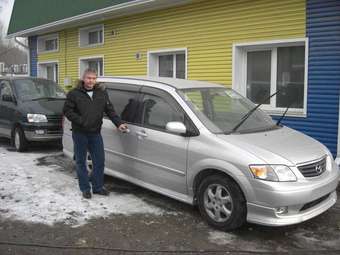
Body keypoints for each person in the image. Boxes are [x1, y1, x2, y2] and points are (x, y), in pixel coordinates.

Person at [63, 68, 128, 199]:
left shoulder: (102, 93)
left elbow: (110, 110)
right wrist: (82, 121)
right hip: (80, 133)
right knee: (81, 161)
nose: (91, 81)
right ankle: (85, 188)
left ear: (96, 79)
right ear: (83, 79)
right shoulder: (74, 94)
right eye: (88, 78)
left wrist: (119, 123)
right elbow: (68, 111)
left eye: (93, 78)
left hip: (95, 133)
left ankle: (98, 187)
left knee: (99, 161)